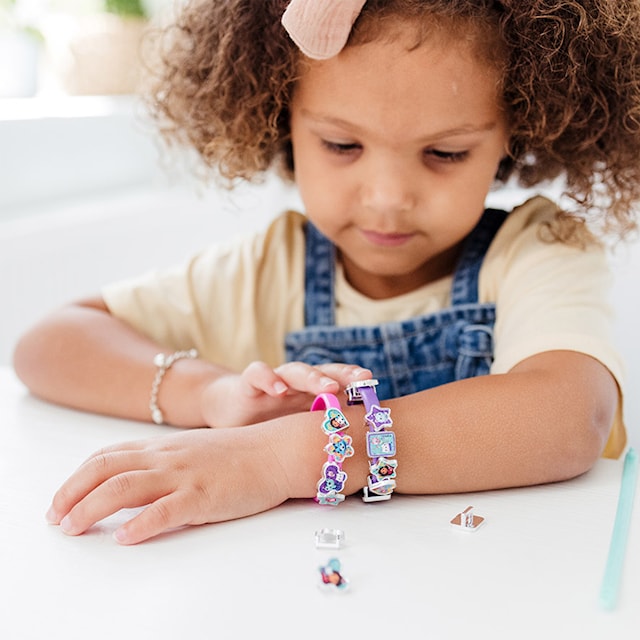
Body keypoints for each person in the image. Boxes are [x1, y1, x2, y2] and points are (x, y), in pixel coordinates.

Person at [13, 0, 640, 544]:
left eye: (445, 152)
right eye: (342, 145)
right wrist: (207, 394)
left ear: (517, 131)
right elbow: (50, 344)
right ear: (278, 118)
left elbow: (570, 417)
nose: (387, 197)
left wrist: (289, 454)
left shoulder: (536, 249)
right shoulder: (270, 267)